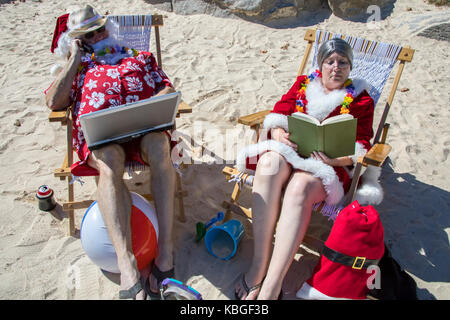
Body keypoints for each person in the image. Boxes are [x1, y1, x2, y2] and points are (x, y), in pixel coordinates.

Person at [46, 4, 176, 300]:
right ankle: (126, 263)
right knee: (109, 158)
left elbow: (167, 88)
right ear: (77, 41)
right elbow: (54, 102)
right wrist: (74, 58)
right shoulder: (77, 68)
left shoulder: (141, 57)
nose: (97, 35)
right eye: (88, 35)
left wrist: (158, 104)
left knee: (160, 146)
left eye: (100, 28)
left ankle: (166, 251)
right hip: (103, 140)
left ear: (110, 28)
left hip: (145, 130)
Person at [234, 38, 376, 300]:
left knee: (299, 186)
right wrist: (277, 132)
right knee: (267, 164)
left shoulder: (361, 99)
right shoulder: (303, 84)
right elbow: (279, 112)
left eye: (342, 62)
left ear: (350, 67)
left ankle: (271, 285)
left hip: (330, 167)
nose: (336, 67)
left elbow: (363, 145)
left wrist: (335, 160)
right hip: (293, 152)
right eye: (329, 61)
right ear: (320, 65)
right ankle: (258, 264)